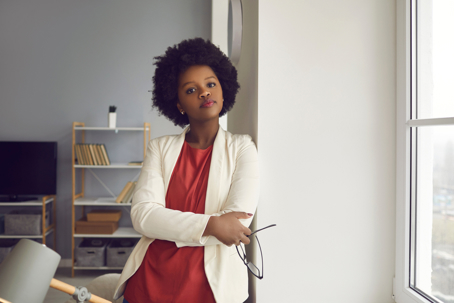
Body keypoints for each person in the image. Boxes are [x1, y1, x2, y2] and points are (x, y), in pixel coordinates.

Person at [113, 37, 259, 303]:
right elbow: (143, 216)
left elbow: (237, 226)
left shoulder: (243, 148)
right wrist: (213, 224)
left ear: (223, 90)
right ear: (178, 104)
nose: (204, 92)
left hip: (211, 290)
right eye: (191, 90)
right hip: (149, 285)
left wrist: (169, 224)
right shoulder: (159, 148)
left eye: (211, 84)